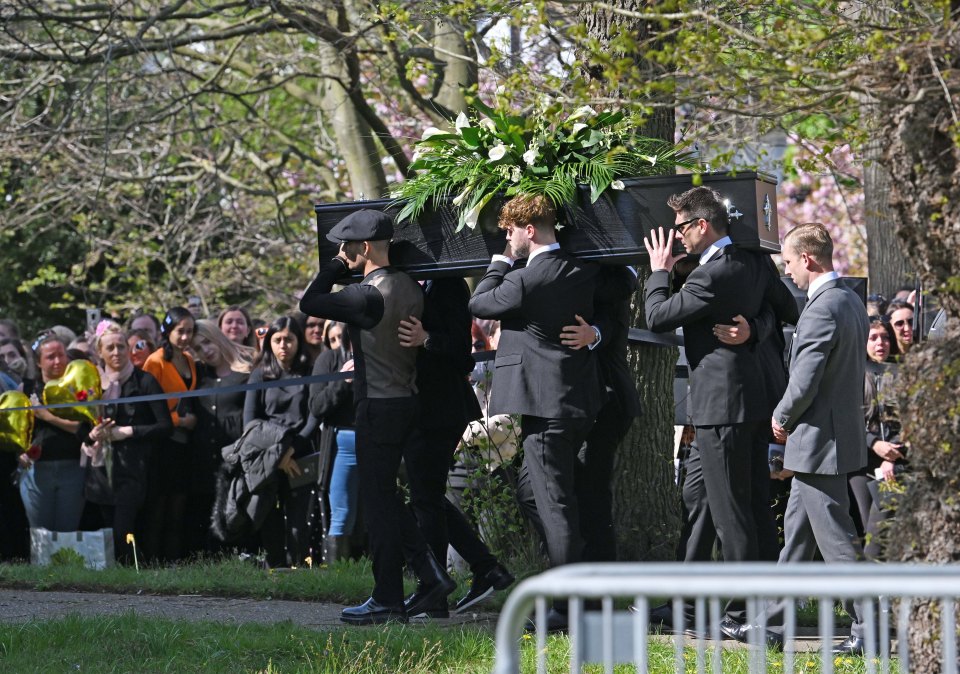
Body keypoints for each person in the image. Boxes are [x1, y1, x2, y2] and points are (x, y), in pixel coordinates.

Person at [722, 223, 871, 656]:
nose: (787, 272)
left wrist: (781, 415)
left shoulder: (823, 306)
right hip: (830, 439)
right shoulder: (850, 300)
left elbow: (805, 379)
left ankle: (868, 623)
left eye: (787, 262)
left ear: (807, 258)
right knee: (798, 537)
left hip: (817, 440)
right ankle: (771, 624)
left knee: (836, 541)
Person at [300, 208, 453, 626]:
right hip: (408, 400)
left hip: (378, 407)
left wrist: (333, 266)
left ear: (363, 248)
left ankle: (388, 597)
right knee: (386, 496)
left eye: (346, 247)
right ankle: (429, 574)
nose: (343, 253)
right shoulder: (409, 285)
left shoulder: (368, 295)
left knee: (380, 505)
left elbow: (309, 302)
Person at [468, 194, 605, 630]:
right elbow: (623, 286)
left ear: (530, 230)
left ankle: (566, 608)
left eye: (510, 231)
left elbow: (481, 304)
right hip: (574, 400)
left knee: (556, 505)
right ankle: (580, 586)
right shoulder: (582, 266)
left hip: (545, 407)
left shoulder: (527, 278)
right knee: (537, 493)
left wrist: (499, 260)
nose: (507, 238)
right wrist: (598, 332)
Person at [643, 187, 780, 603]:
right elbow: (785, 311)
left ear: (702, 225)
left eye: (682, 227)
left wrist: (658, 271)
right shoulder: (754, 260)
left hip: (722, 407)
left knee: (733, 513)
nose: (677, 235)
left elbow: (657, 318)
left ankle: (743, 611)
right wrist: (755, 328)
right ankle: (689, 602)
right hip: (744, 403)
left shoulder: (711, 273)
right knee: (706, 499)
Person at [399, 276, 510, 619]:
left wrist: (426, 338)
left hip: (441, 409)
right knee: (428, 497)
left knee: (426, 500)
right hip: (424, 408)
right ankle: (485, 569)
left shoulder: (448, 285)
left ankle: (435, 588)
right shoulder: (414, 284)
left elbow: (463, 355)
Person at [83, 321, 172, 563]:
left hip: (134, 469)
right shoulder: (91, 386)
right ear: (100, 352)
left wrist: (128, 431)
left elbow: (165, 426)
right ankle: (116, 583)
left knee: (124, 530)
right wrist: (93, 435)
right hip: (100, 468)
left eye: (121, 347)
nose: (116, 353)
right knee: (109, 531)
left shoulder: (145, 382)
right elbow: (82, 428)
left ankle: (136, 574)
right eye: (110, 348)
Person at [243, 316, 319, 568]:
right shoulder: (259, 375)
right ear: (269, 343)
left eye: (289, 339)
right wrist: (278, 455)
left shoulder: (311, 372)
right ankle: (274, 570)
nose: (283, 345)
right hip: (267, 457)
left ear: (298, 341)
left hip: (300, 456)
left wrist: (290, 451)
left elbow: (313, 417)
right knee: (269, 519)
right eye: (277, 340)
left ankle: (298, 572)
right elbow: (250, 421)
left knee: (299, 523)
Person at [189, 319, 252, 554]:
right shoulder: (198, 376)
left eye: (206, 342)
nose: (205, 350)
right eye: (197, 348)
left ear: (217, 337)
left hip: (236, 460)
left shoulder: (246, 372)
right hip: (203, 461)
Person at [142, 307, 198, 561]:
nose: (185, 337)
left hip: (184, 445)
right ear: (168, 331)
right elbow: (146, 406)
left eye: (189, 331)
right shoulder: (155, 361)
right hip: (163, 443)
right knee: (158, 508)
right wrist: (178, 420)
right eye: (180, 331)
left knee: (179, 507)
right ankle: (154, 561)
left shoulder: (188, 360)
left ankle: (174, 561)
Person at [18, 332, 87, 532]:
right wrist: (20, 450)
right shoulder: (27, 388)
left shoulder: (78, 387)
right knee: (40, 535)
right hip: (37, 471)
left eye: (61, 355)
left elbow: (82, 427)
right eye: (50, 357)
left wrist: (47, 417)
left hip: (73, 467)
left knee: (67, 532)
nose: (58, 361)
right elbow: (19, 429)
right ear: (39, 363)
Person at [309, 321, 358, 562]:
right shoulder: (327, 360)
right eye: (336, 337)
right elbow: (317, 406)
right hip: (342, 445)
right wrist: (342, 380)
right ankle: (339, 575)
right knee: (342, 513)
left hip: (378, 440)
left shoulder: (379, 353)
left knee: (380, 511)